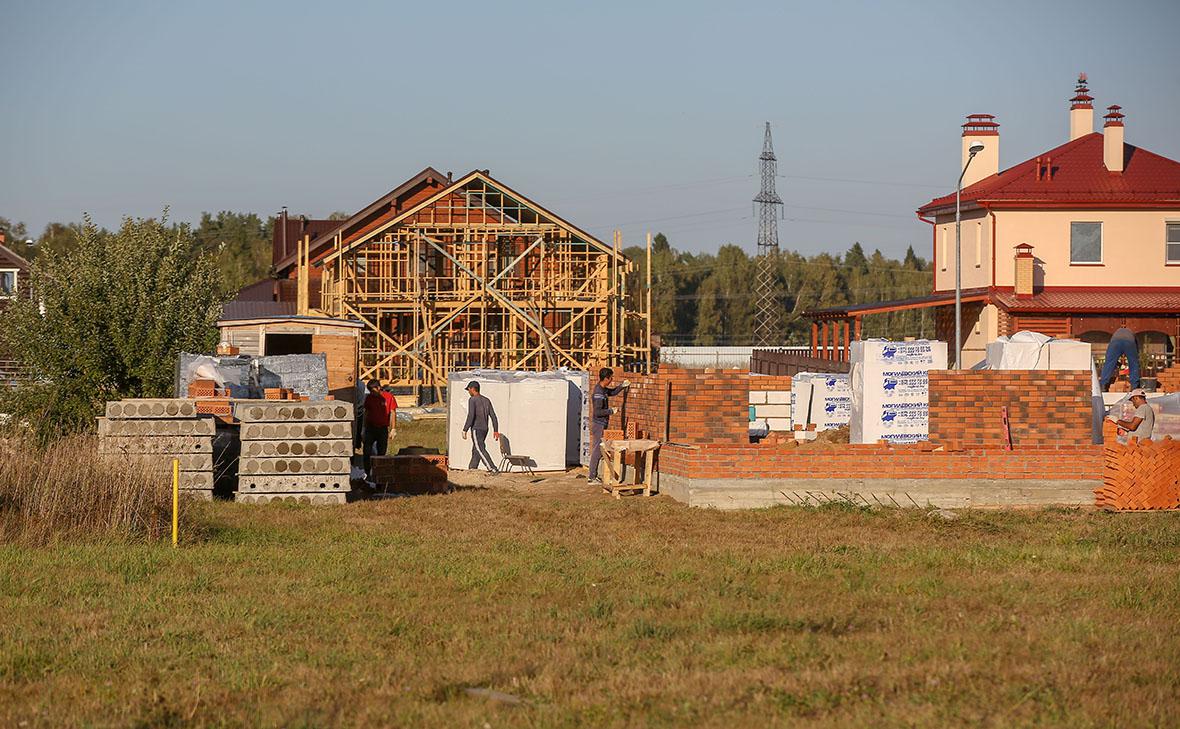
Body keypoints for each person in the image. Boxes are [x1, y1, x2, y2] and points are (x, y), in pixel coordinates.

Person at [588, 367, 630, 486]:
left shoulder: (603, 389)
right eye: (611, 378)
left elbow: (612, 392)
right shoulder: (598, 393)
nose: (612, 380)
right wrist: (610, 411)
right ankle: (592, 477)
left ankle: (593, 475)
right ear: (606, 378)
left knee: (599, 449)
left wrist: (622, 386)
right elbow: (597, 412)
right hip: (598, 425)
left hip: (602, 424)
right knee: (598, 450)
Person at [461, 381, 500, 474]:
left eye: (469, 390)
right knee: (476, 448)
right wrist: (495, 430)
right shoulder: (487, 400)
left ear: (472, 389)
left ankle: (492, 468)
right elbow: (493, 416)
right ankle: (472, 468)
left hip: (476, 428)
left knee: (480, 449)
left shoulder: (473, 400)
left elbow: (471, 416)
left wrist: (465, 429)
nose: (468, 392)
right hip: (485, 429)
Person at [362, 379, 397, 475]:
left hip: (382, 429)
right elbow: (366, 413)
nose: (372, 393)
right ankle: (367, 473)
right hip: (370, 428)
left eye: (373, 391)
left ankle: (379, 473)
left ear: (378, 388)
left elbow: (392, 413)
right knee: (367, 451)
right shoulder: (369, 398)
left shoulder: (388, 397)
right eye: (370, 392)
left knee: (381, 452)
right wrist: (364, 429)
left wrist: (393, 428)